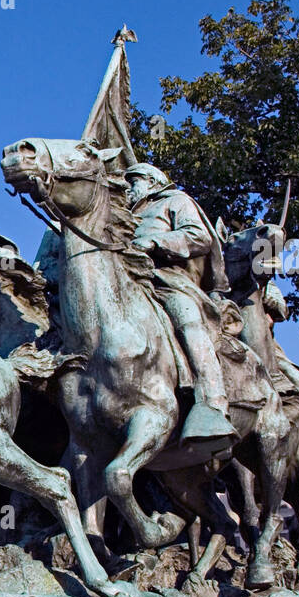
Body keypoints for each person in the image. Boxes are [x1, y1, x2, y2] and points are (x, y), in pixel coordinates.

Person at [125, 162, 238, 446]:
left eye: (133, 181)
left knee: (187, 319)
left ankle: (211, 405)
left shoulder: (176, 201)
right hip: (124, 282)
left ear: (151, 181)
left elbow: (199, 236)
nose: (127, 188)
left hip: (166, 280)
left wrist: (156, 241)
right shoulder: (119, 213)